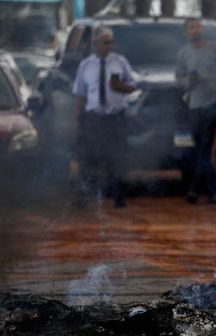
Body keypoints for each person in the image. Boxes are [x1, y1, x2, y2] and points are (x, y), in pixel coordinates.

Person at [72, 26, 137, 208]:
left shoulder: (120, 62)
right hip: (94, 118)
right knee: (88, 157)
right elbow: (80, 95)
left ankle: (118, 196)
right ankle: (84, 196)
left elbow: (132, 86)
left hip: (115, 118)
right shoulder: (86, 65)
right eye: (105, 42)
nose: (110, 45)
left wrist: (119, 87)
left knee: (117, 157)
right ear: (95, 43)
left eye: (111, 42)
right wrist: (77, 121)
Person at [176, 17, 216, 204]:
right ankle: (204, 189)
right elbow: (179, 80)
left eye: (198, 27)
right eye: (191, 27)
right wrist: (188, 81)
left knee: (207, 148)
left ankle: (202, 190)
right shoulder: (184, 54)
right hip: (195, 105)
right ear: (186, 32)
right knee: (200, 149)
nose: (196, 30)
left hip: (214, 104)